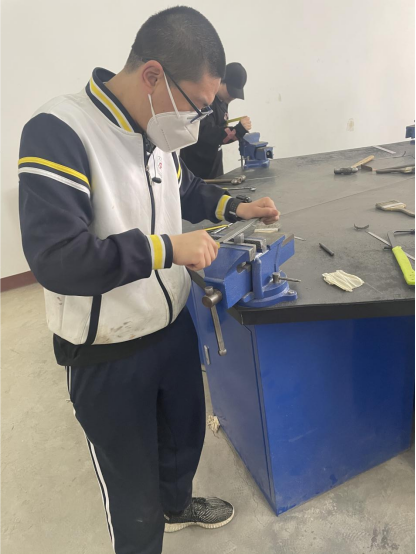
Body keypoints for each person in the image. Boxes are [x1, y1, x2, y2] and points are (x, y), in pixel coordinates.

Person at [18, 7, 280, 554]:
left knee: (183, 440)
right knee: (133, 501)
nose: (199, 121)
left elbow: (185, 188)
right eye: (198, 106)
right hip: (106, 353)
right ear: (154, 76)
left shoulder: (156, 132)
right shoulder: (60, 131)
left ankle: (177, 505)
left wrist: (238, 207)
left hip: (170, 326)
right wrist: (167, 248)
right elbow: (57, 258)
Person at [181, 62, 251, 179]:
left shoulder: (223, 101)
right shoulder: (205, 102)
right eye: (231, 91)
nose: (232, 97)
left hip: (214, 167)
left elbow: (219, 129)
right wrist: (238, 130)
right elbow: (207, 134)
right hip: (197, 172)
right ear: (220, 81)